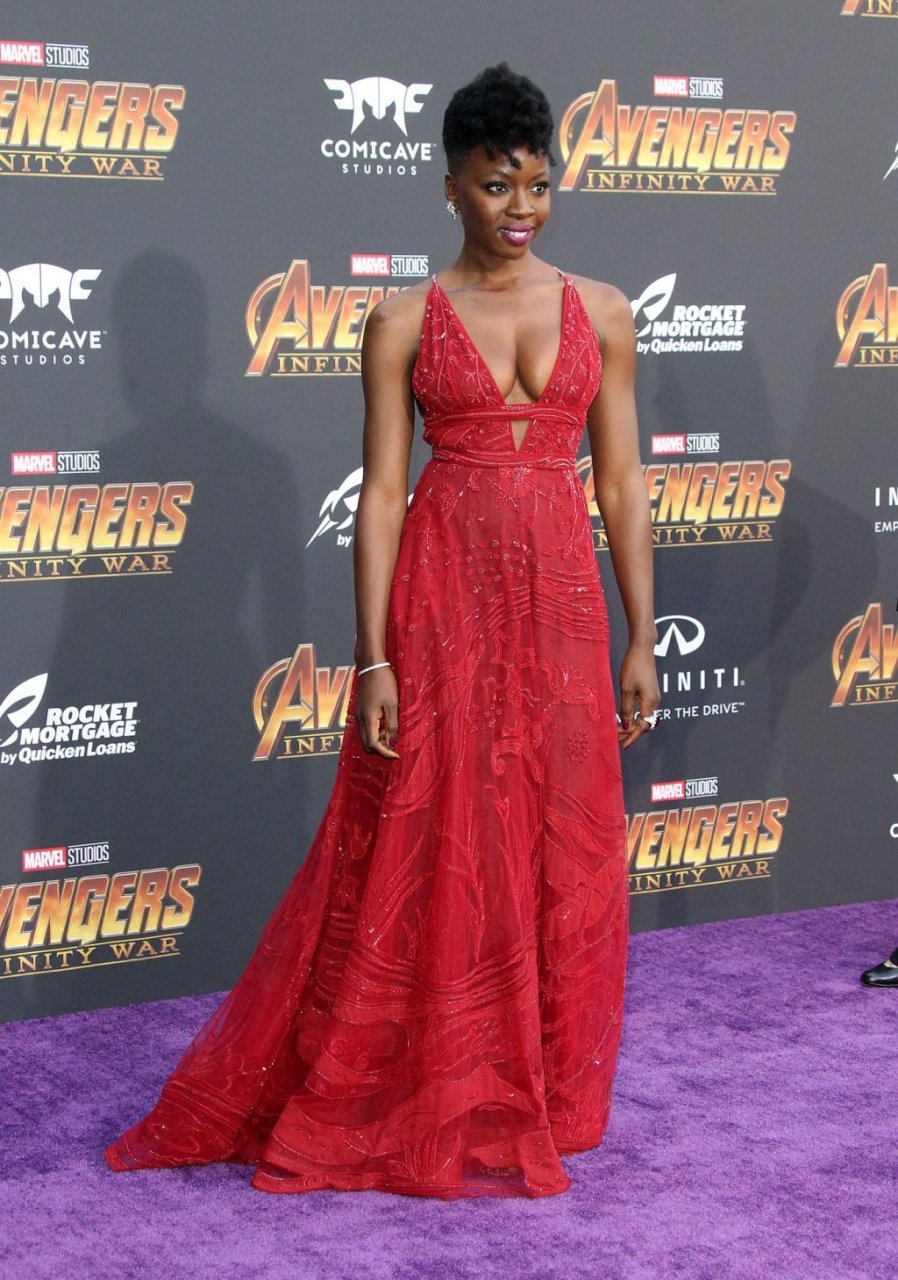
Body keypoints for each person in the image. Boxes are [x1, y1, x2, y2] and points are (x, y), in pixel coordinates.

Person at [105, 63, 660, 1199]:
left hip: (561, 604)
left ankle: (544, 1084)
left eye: (538, 185)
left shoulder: (602, 309)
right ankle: (436, 1074)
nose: (521, 208)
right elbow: (382, 497)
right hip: (444, 602)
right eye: (496, 185)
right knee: (437, 832)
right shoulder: (402, 319)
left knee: (558, 834)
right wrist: (372, 656)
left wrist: (642, 634)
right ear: (449, 185)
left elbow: (620, 482)